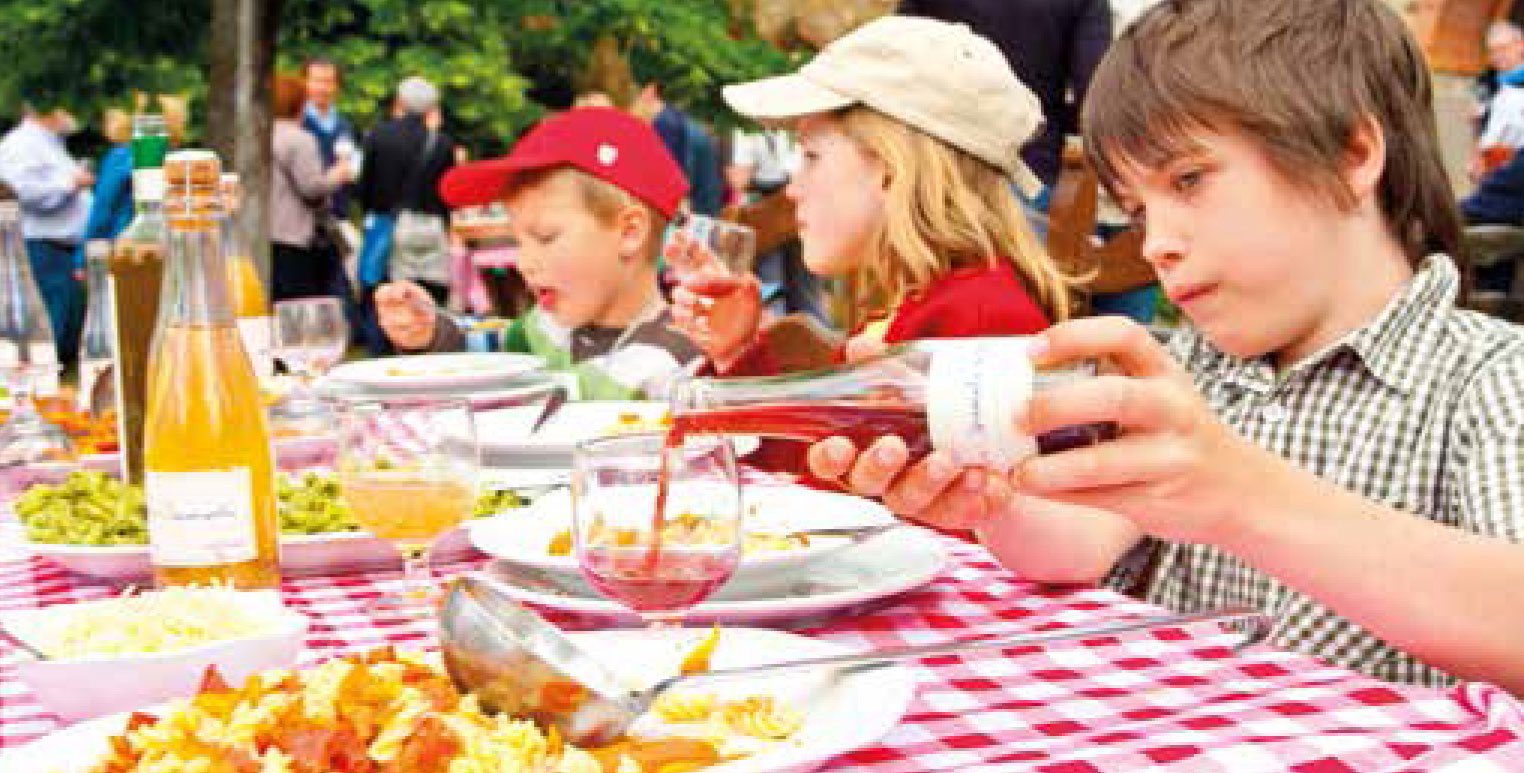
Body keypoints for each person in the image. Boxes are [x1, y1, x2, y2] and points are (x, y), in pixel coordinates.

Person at [808, 0, 1524, 695]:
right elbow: (1083, 543)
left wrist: (1238, 496)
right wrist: (990, 496)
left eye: (1189, 180)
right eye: (1139, 211)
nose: (1155, 244)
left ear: (1350, 154)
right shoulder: (1195, 370)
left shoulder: (1490, 377)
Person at [671, 15, 1073, 378]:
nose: (792, 190)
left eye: (812, 156)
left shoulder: (979, 324)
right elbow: (823, 436)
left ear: (892, 172)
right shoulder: (921, 308)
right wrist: (735, 352)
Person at [375, 107, 699, 401]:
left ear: (629, 233)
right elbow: (487, 347)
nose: (522, 263)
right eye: (518, 241)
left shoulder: (681, 364)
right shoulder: (545, 329)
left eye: (545, 238)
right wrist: (429, 331)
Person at [897, 0, 1111, 197]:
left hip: (936, 162)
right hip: (1026, 168)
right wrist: (1050, 117)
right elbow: (1094, 101)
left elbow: (899, 54)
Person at [0, 101, 92, 367]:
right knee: (46, 334)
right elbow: (17, 191)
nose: (69, 113)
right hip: (42, 248)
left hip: (60, 251)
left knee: (62, 330)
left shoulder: (48, 143)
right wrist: (69, 183)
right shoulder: (21, 144)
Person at [356, 77, 457, 305]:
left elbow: (365, 187)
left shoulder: (378, 135)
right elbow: (446, 193)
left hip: (391, 224)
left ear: (400, 101)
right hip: (431, 227)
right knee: (430, 292)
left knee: (390, 292)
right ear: (431, 107)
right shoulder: (442, 143)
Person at [270, 73, 352, 301]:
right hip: (295, 234)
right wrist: (337, 175)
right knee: (300, 302)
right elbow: (312, 189)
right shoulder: (300, 139)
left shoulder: (259, 135)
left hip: (266, 232)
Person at [632, 82, 725, 217]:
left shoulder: (669, 132)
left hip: (688, 221)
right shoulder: (674, 125)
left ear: (648, 92)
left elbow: (674, 199)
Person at [300, 58, 358, 219]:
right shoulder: (296, 123)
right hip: (303, 217)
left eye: (328, 82)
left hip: (337, 215)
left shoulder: (344, 125)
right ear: (303, 83)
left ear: (337, 87)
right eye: (316, 81)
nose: (322, 88)